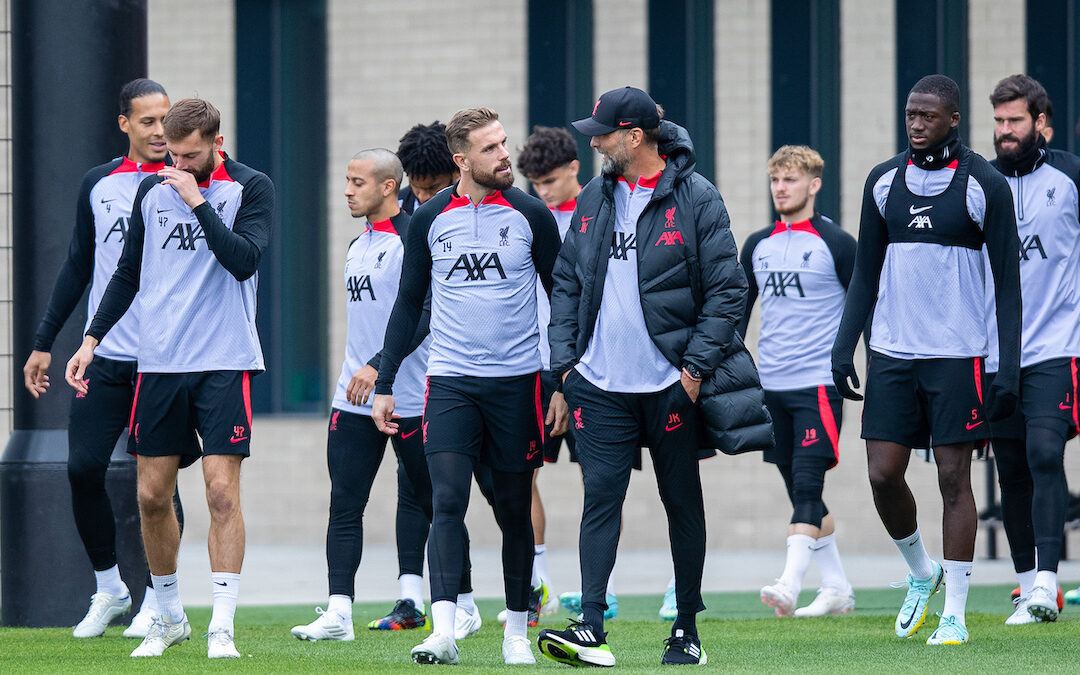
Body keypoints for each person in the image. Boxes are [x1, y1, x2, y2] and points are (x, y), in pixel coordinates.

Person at [539, 86, 757, 667]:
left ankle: (686, 629)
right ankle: (589, 625)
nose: (595, 143)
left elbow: (728, 291)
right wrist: (566, 367)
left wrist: (693, 371)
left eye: (603, 134)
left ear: (634, 137)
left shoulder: (698, 198)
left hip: (671, 385)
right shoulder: (593, 198)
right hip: (599, 384)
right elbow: (566, 282)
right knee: (600, 499)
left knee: (680, 500)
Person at [65, 98, 274, 659]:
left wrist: (198, 202)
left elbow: (244, 260)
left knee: (221, 494)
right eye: (172, 155)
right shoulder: (150, 190)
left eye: (189, 155)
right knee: (152, 496)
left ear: (216, 143)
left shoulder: (250, 188)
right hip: (157, 364)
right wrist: (90, 340)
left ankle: (222, 624)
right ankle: (169, 614)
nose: (177, 164)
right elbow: (128, 271)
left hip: (225, 361)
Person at [831, 74, 1021, 646]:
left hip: (958, 357)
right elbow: (865, 270)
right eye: (910, 114)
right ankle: (922, 571)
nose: (915, 123)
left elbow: (1009, 286)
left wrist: (1005, 368)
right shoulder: (883, 182)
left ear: (954, 120)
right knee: (882, 474)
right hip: (891, 353)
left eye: (928, 116)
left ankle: (956, 614)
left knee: (952, 478)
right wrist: (845, 344)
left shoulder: (984, 184)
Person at [372, 107, 565, 666]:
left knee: (511, 510)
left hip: (517, 383)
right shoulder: (429, 219)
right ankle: (444, 631)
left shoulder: (531, 214)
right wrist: (385, 380)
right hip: (450, 383)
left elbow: (563, 301)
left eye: (504, 144)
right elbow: (409, 304)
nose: (505, 155)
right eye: (490, 148)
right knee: (447, 501)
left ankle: (515, 635)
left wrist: (558, 380)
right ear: (462, 160)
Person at [23, 78, 188, 640]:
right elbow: (77, 265)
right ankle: (111, 588)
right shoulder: (99, 184)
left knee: (160, 487)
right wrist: (45, 342)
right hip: (108, 358)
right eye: (148, 121)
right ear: (125, 124)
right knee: (82, 469)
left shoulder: (190, 183)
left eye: (166, 119)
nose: (160, 130)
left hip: (165, 360)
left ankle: (160, 602)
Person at [287, 149, 430, 640]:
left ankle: (454, 601)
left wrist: (379, 365)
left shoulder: (413, 237)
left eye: (357, 182)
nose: (347, 190)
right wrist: (363, 370)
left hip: (411, 395)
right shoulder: (357, 244)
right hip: (352, 397)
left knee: (430, 499)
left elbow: (425, 315)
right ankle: (339, 613)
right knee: (345, 503)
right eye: (346, 181)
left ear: (389, 187)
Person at [370, 121, 486, 638]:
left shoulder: (476, 215)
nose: (420, 197)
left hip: (474, 375)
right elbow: (407, 304)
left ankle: (497, 595)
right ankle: (418, 598)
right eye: (414, 188)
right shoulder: (412, 222)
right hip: (420, 385)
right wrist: (387, 369)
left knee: (485, 492)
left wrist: (380, 364)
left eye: (431, 186)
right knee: (421, 493)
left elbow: (429, 309)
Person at [739, 145, 856, 618]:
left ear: (814, 184)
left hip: (817, 388)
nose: (781, 188)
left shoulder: (838, 244)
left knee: (807, 486)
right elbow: (737, 317)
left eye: (790, 180)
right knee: (799, 490)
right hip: (773, 390)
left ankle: (789, 584)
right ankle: (838, 589)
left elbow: (866, 306)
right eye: (775, 180)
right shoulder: (757, 245)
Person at [984, 74, 1080, 624]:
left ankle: (1049, 580)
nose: (1004, 131)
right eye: (998, 122)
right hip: (996, 356)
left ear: (1039, 122)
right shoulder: (980, 184)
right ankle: (1027, 587)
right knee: (1012, 469)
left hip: (1056, 347)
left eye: (1014, 121)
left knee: (1046, 452)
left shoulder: (1069, 176)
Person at [397, 121, 459, 214]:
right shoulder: (396, 206)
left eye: (433, 187)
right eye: (415, 186)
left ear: (457, 172)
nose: (422, 197)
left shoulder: (472, 205)